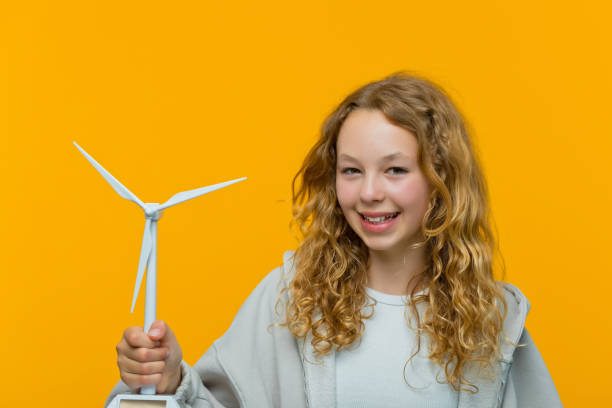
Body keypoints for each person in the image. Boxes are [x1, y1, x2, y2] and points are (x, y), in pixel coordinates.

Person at [106, 73, 563, 407]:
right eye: (351, 170)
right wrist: (168, 385)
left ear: (441, 180)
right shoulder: (290, 299)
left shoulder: (493, 320)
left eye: (395, 170)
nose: (368, 193)